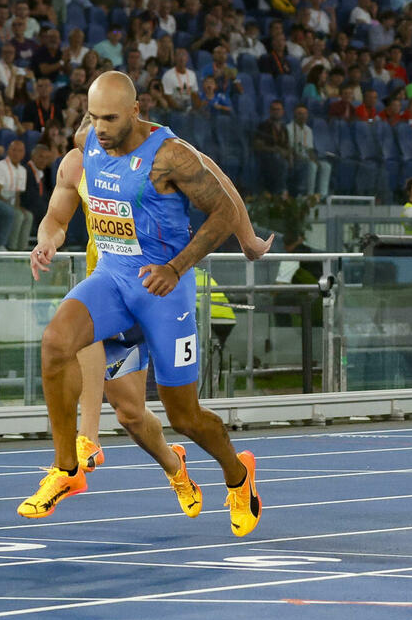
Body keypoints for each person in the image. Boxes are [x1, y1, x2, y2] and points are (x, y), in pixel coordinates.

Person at [18, 72, 265, 536]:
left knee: (185, 416)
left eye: (111, 118)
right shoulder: (88, 141)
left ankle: (237, 474)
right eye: (94, 118)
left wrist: (179, 265)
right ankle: (67, 469)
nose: (102, 128)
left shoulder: (169, 155)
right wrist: (46, 242)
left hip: (162, 290)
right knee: (56, 343)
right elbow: (57, 211)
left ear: (136, 110)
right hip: (111, 279)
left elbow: (223, 209)